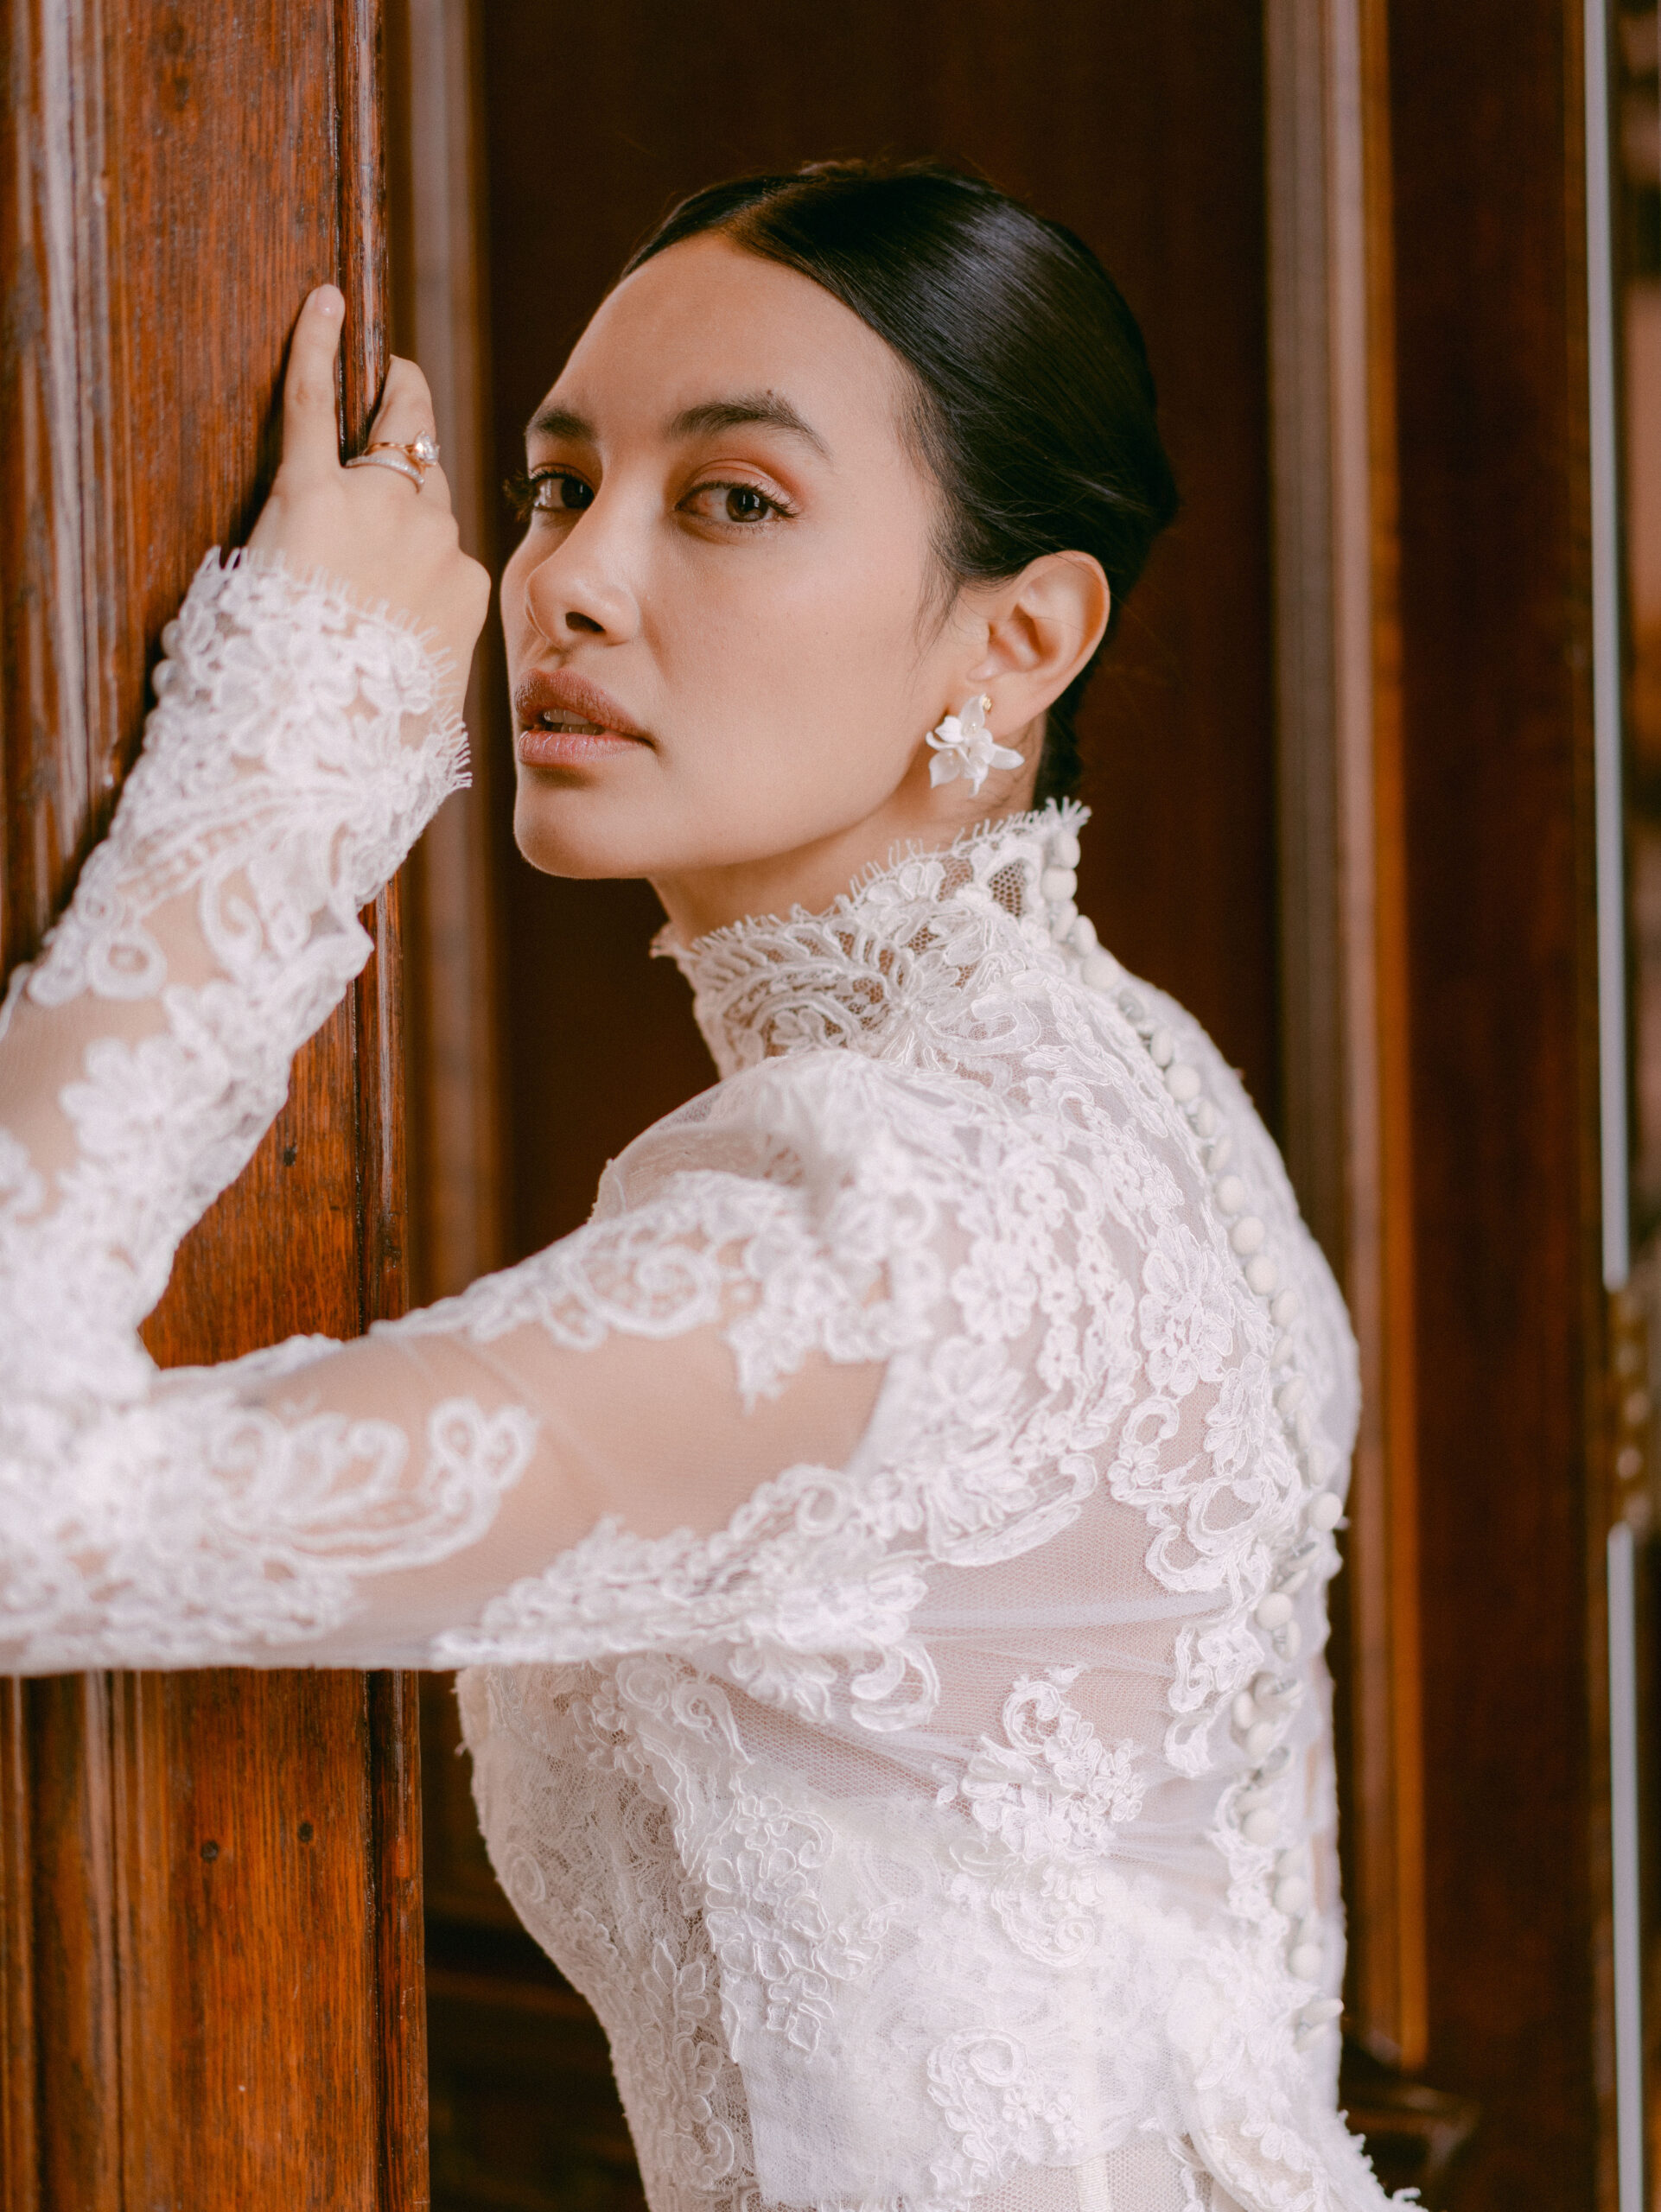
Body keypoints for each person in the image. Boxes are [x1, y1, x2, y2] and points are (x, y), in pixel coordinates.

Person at [0, 162, 1402, 2212]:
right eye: (561, 484)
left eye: (732, 499)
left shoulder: (881, 1218)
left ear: (1020, 639)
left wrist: (277, 764)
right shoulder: (1143, 1092)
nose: (562, 580)